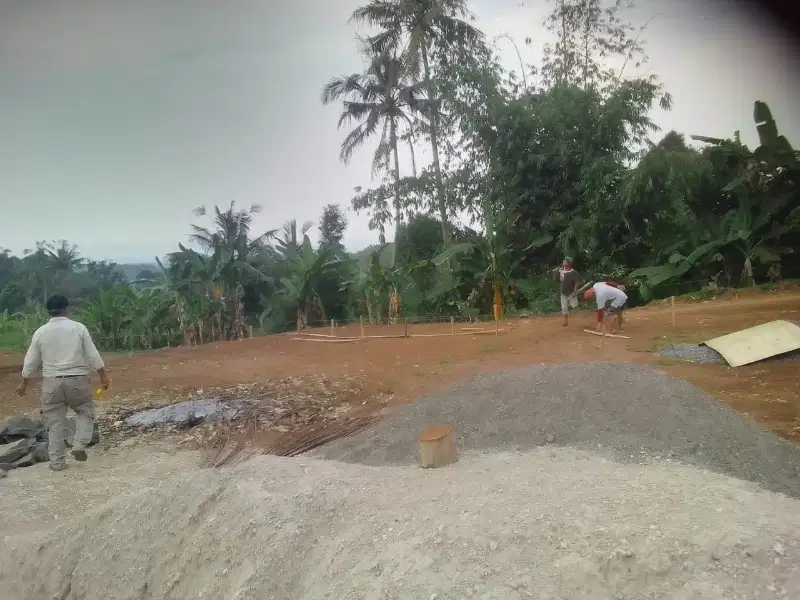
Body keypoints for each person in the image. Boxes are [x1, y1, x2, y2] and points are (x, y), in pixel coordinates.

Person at [15, 295, 109, 471]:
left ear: (48, 311)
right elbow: (92, 354)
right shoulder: (78, 328)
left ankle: (57, 463)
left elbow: (30, 361)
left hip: (51, 383)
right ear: (67, 309)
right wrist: (102, 375)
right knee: (85, 412)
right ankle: (79, 444)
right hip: (77, 380)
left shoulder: (41, 332)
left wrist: (23, 383)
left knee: (55, 423)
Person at [552, 257, 580, 327]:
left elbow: (577, 282)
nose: (563, 263)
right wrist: (555, 272)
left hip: (571, 291)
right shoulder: (560, 271)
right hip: (563, 291)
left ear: (569, 263)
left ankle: (580, 316)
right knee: (564, 307)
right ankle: (565, 321)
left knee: (574, 305)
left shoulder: (574, 272)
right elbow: (556, 279)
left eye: (565, 262)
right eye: (563, 262)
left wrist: (575, 291)